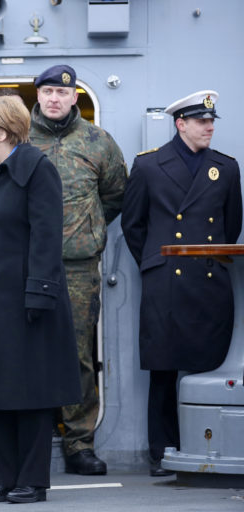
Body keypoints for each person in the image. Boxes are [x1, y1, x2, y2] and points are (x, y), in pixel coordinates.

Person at [0, 95, 81, 504]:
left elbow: (47, 236)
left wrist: (39, 293)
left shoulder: (37, 170)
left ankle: (32, 480)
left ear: (4, 133)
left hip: (26, 304)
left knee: (29, 394)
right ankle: (3, 478)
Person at [121, 90, 242, 476]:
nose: (209, 127)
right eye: (201, 121)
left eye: (211, 121)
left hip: (209, 280)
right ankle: (162, 451)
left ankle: (204, 447)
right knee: (164, 371)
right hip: (166, 282)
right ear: (181, 124)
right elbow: (133, 226)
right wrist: (156, 264)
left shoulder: (226, 168)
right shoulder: (148, 165)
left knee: (208, 364)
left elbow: (230, 225)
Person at [29, 64, 127, 476]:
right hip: (25, 266)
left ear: (75, 98)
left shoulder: (97, 141)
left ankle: (79, 442)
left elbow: (116, 195)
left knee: (77, 354)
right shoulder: (18, 137)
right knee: (26, 351)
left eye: (62, 92)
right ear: (38, 95)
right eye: (48, 91)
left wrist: (86, 229)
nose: (55, 99)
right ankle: (29, 440)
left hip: (79, 267)